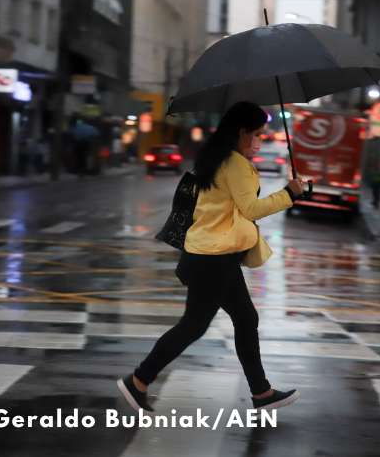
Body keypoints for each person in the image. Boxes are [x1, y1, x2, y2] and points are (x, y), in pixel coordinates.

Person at [117, 102, 306, 413]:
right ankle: (138, 380)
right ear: (243, 132)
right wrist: (290, 193)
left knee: (246, 319)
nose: (261, 140)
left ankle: (261, 393)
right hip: (212, 260)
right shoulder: (234, 164)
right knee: (193, 325)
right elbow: (252, 209)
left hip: (217, 256)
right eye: (257, 134)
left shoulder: (221, 158)